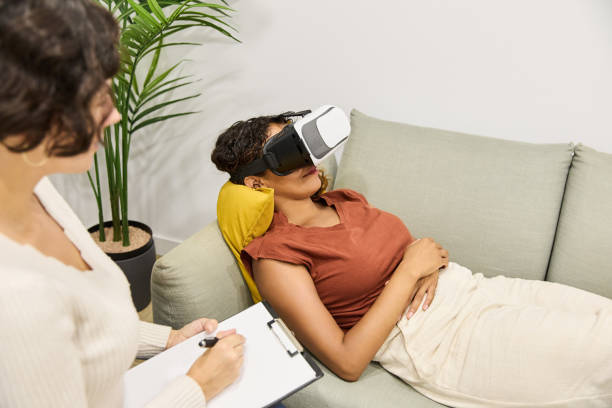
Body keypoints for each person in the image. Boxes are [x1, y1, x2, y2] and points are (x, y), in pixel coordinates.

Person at [211, 113, 612, 407]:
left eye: (303, 144)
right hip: (439, 341)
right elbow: (347, 362)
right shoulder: (277, 258)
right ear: (256, 181)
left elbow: (416, 253)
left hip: (476, 290)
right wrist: (409, 269)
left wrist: (427, 258)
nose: (308, 159)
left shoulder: (346, 200)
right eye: (287, 153)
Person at [0, 1, 245, 407]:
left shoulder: (35, 188)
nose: (114, 115)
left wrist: (168, 338)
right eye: (99, 100)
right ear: (36, 111)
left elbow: (85, 326)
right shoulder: (15, 300)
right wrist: (197, 388)